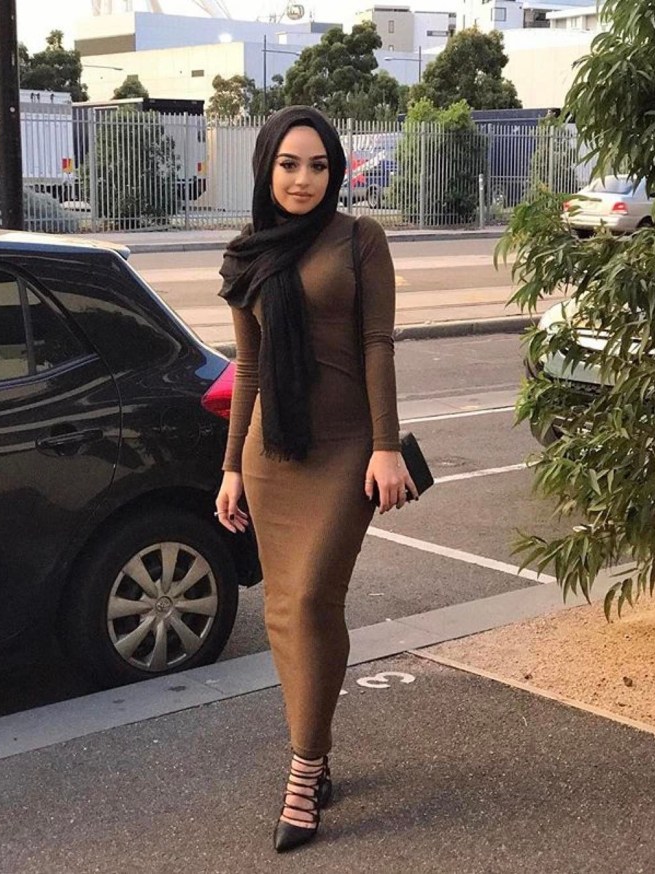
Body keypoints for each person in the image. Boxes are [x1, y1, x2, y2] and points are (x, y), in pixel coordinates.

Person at [215, 105, 416, 853]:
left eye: (319, 165)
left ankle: (302, 772)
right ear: (267, 168)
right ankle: (315, 749)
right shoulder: (247, 253)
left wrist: (386, 446)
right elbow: (248, 368)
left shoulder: (359, 240)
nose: (304, 179)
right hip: (272, 455)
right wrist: (230, 466)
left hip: (344, 450)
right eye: (289, 164)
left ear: (334, 172)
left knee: (310, 600)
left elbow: (377, 344)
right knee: (286, 611)